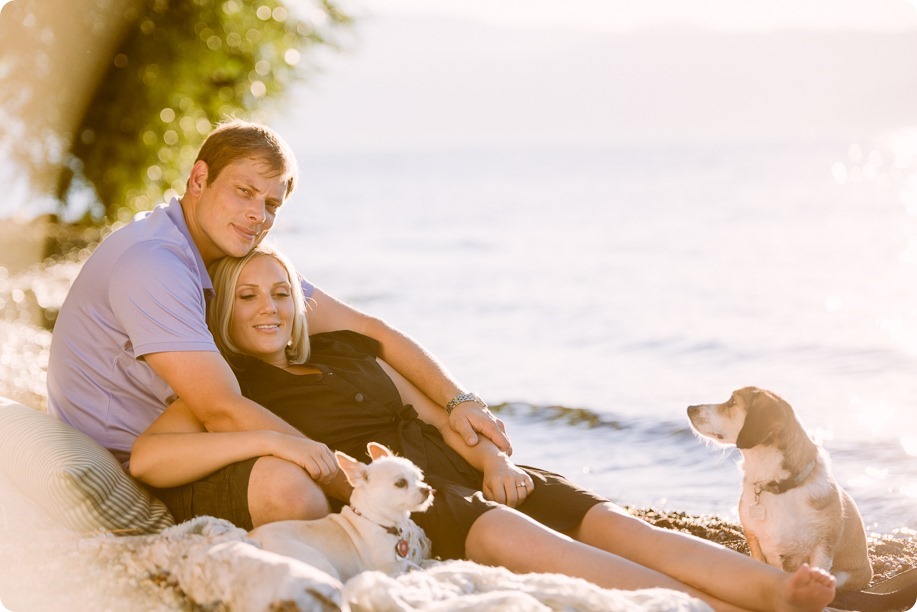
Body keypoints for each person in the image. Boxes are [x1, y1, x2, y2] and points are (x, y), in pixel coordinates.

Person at [129, 245, 837, 612]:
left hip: (464, 466)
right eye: (248, 296)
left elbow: (427, 410)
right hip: (417, 494)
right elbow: (147, 459)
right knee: (546, 549)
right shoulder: (226, 386)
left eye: (281, 293)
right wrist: (268, 439)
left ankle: (773, 592)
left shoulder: (345, 348)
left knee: (620, 528)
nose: (269, 308)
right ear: (220, 311)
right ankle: (714, 608)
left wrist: (491, 460)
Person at [47, 119, 509, 525]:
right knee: (295, 488)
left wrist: (460, 403)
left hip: (197, 436)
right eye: (244, 192)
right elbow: (221, 409)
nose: (257, 214)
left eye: (272, 204)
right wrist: (367, 492)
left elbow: (370, 332)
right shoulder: (154, 264)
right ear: (198, 179)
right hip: (144, 459)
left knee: (340, 368)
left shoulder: (233, 252)